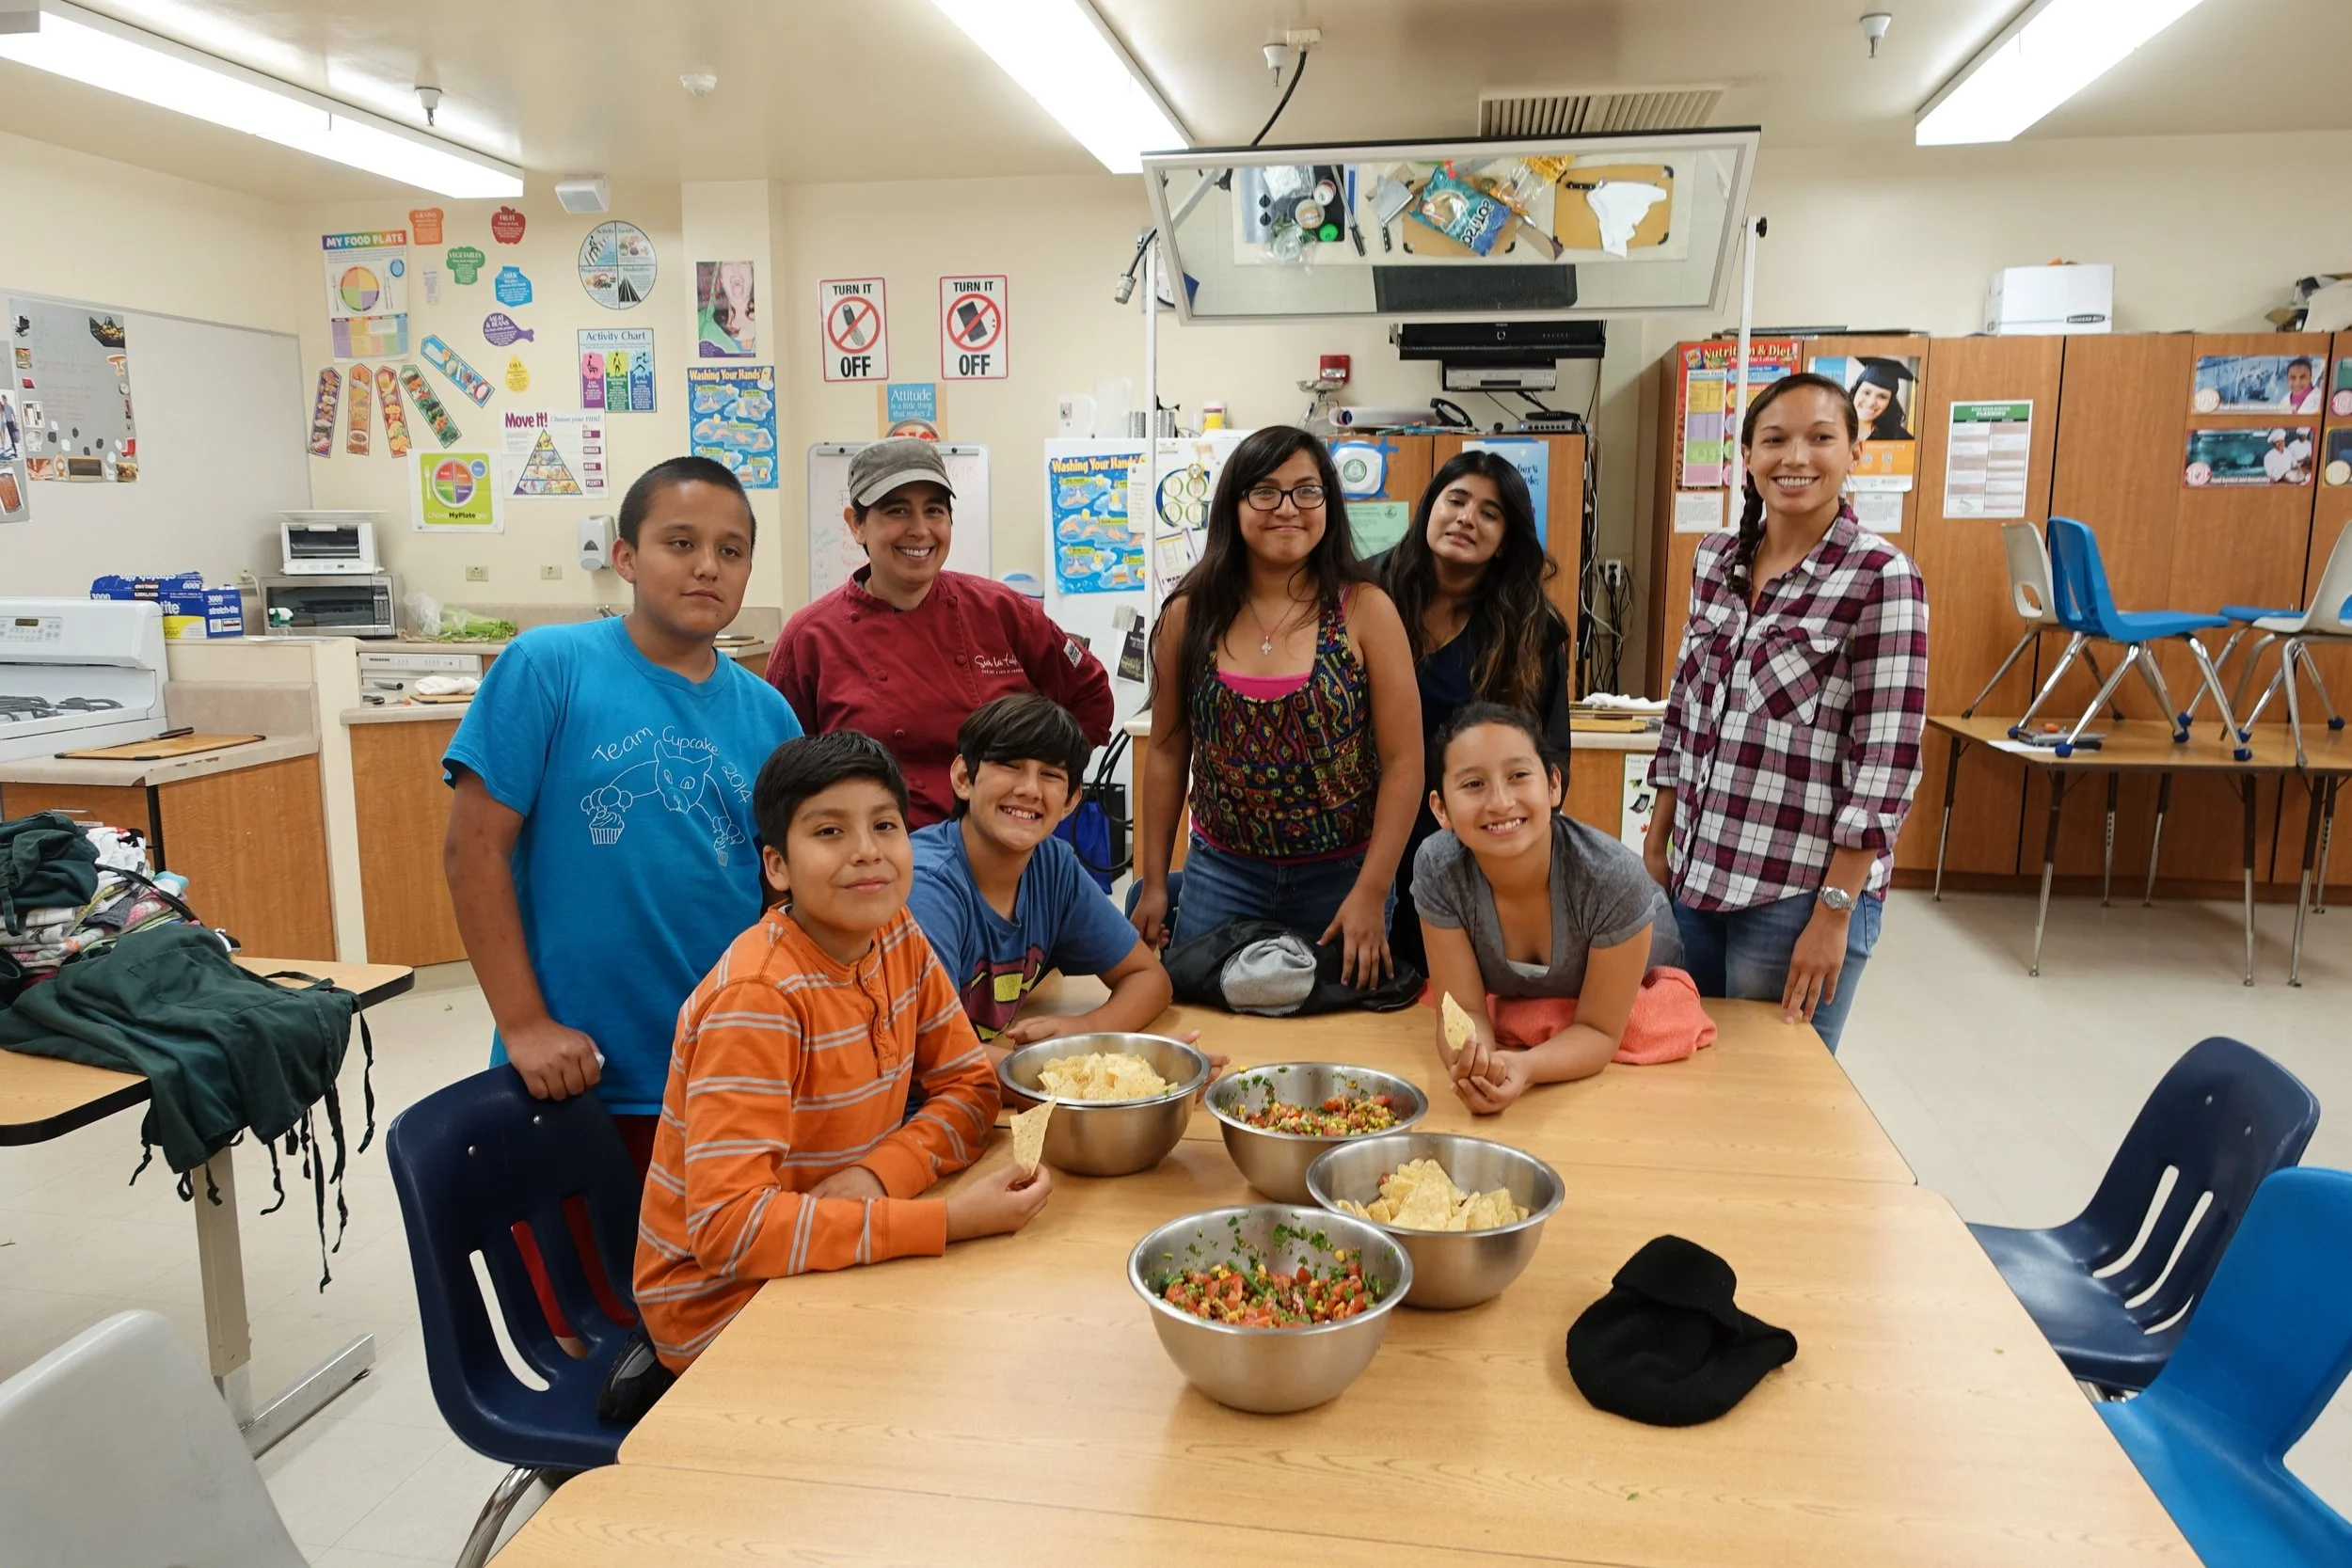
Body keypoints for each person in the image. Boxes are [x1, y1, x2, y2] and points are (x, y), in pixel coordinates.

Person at [634, 731, 1051, 1372]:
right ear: (777, 866)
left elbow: (971, 1087)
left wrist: (881, 1176)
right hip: (727, 1312)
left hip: (834, 1255)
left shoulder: (896, 933)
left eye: (885, 825)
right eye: (829, 832)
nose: (866, 853)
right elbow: (729, 1232)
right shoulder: (759, 998)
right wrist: (943, 1222)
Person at [442, 455, 803, 1146]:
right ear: (626, 556)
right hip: (576, 1073)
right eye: (680, 542)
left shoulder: (770, 715)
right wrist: (525, 1025)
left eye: (731, 551)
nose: (707, 566)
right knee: (583, 1256)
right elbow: (473, 850)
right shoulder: (547, 667)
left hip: (727, 1068)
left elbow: (779, 898)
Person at [1643, 372, 1928, 1053]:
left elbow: (1885, 763)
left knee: (1773, 1093)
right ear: (1747, 457)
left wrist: (1834, 913)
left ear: (1854, 451)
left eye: (1820, 438)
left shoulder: (1881, 577)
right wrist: (1657, 840)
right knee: (1685, 1070)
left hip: (1798, 895)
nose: (1795, 458)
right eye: (1774, 440)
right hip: (1699, 877)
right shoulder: (1715, 559)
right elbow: (1686, 712)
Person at [1131, 424, 1422, 987]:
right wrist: (1156, 881)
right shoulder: (1188, 616)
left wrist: (1373, 890)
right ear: (1234, 507)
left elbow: (1405, 762)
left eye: (1306, 491)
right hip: (1221, 873)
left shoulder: (1366, 610)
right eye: (1264, 491)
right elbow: (1167, 754)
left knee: (1338, 1038)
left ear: (1328, 506)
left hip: (1344, 875)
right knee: (1212, 1023)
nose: (1287, 508)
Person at [769, 437, 1114, 828]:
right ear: (856, 524)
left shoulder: (1002, 610)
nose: (920, 530)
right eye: (897, 510)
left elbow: (1090, 694)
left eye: (934, 510)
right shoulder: (810, 637)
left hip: (1005, 856)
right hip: (885, 864)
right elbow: (781, 778)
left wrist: (1048, 788)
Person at [1417, 704, 1683, 1112]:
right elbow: (1465, 1008)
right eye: (1473, 784)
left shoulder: (1611, 877)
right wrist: (1478, 1068)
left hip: (1643, 948)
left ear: (1554, 784)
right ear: (1440, 808)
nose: (1500, 802)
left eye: (1519, 775)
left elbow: (1597, 1030)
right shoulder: (1439, 868)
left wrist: (1524, 1069)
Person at [909, 693, 1190, 1062]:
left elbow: (1150, 980)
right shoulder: (927, 884)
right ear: (964, 777)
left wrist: (1085, 1031)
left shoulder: (1053, 866)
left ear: (1071, 800)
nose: (1029, 789)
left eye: (1050, 775)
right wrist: (1130, 1075)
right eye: (1009, 766)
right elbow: (934, 1055)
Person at [1377, 450, 1574, 973]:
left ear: (1506, 538)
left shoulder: (1531, 625)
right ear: (1429, 510)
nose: (1467, 518)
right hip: (1364, 837)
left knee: (1451, 996)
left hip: (1468, 847)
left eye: (1489, 512)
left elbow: (1548, 750)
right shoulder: (1367, 594)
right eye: (1456, 500)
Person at [1847, 357, 1915, 443]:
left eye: (1882, 397)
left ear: (1890, 403)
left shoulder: (1900, 439)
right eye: (1866, 392)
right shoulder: (1835, 428)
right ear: (1855, 393)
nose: (1871, 403)